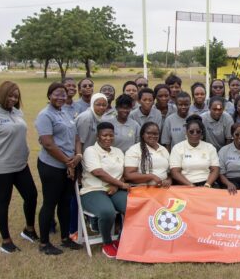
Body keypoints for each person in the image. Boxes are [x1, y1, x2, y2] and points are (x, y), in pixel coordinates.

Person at [0, 81, 38, 253]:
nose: (13, 99)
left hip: (20, 164)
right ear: (1, 95)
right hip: (0, 168)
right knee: (3, 202)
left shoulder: (17, 112)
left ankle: (29, 230)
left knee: (31, 195)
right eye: (10, 95)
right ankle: (6, 241)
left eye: (16, 96)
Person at [34, 82, 82, 255]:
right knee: (50, 203)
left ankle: (65, 239)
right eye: (56, 94)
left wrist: (77, 156)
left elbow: (76, 136)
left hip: (69, 163)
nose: (60, 97)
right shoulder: (45, 115)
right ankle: (44, 243)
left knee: (65, 202)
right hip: (52, 165)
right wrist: (68, 162)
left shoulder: (66, 112)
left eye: (63, 94)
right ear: (49, 95)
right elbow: (48, 143)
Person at [80, 122, 130, 259]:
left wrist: (117, 185)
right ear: (97, 137)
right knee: (107, 212)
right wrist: (119, 183)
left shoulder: (118, 151)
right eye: (104, 135)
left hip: (115, 189)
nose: (108, 138)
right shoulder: (90, 151)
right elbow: (98, 172)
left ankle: (121, 239)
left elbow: (123, 172)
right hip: (93, 190)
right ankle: (107, 243)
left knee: (132, 207)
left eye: (111, 135)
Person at [169, 115, 220, 186]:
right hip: (185, 185)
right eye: (191, 132)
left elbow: (215, 169)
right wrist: (191, 185)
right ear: (186, 132)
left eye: (198, 131)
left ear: (201, 133)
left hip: (207, 184)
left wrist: (208, 184)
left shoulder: (210, 147)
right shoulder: (177, 148)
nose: (195, 134)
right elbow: (175, 172)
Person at [124, 122, 171, 187]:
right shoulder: (134, 149)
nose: (153, 136)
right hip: (143, 187)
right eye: (149, 133)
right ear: (143, 135)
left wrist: (169, 180)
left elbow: (168, 172)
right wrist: (152, 176)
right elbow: (128, 175)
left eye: (155, 134)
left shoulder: (163, 149)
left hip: (163, 187)